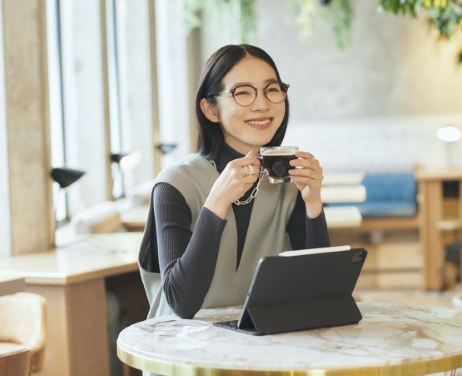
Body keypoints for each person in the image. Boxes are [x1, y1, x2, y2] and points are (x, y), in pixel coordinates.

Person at [138, 44, 330, 320]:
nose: (262, 104)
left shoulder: (289, 181)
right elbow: (182, 301)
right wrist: (216, 203)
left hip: (257, 346)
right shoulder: (175, 183)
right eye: (242, 93)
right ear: (210, 109)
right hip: (180, 352)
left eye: (272, 89)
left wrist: (313, 204)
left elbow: (320, 291)